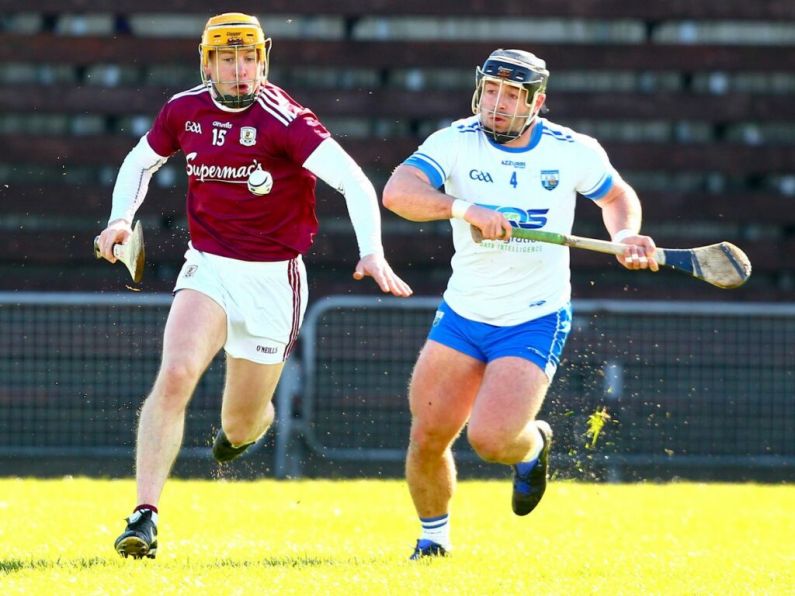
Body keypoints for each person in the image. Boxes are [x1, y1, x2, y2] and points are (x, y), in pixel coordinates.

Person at [97, 12, 412, 560]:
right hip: (209, 266)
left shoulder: (286, 119)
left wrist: (372, 252)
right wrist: (120, 218)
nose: (240, 71)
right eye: (227, 59)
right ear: (208, 63)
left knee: (239, 422)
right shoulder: (184, 110)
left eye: (249, 59)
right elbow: (139, 161)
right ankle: (144, 515)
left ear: (263, 61)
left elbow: (355, 182)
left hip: (274, 280)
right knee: (174, 375)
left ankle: (247, 430)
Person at [382, 48, 658, 559]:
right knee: (427, 436)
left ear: (537, 102)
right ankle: (433, 541)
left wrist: (627, 235)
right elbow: (399, 192)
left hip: (534, 316)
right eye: (491, 90)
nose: (497, 104)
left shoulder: (571, 149)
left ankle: (533, 446)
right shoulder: (455, 141)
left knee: (491, 440)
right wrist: (465, 208)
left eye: (512, 95)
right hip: (464, 313)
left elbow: (617, 196)